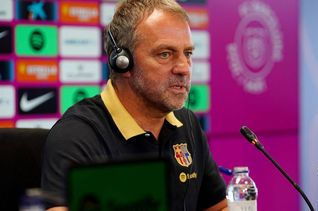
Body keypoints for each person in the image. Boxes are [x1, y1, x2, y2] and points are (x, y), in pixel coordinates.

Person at [41, 0, 228, 210]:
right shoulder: (77, 136)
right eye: (165, 54)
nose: (184, 68)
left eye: (188, 53)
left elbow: (218, 207)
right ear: (123, 62)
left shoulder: (187, 123)